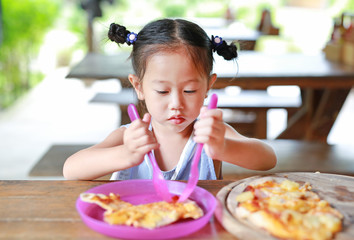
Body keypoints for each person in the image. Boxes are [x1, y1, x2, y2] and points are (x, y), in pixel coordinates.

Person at [63, 18, 276, 181]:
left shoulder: (210, 135)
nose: (176, 104)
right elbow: (71, 169)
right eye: (163, 91)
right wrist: (126, 154)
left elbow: (267, 159)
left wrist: (223, 148)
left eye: (190, 90)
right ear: (139, 87)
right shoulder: (128, 136)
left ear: (208, 86)